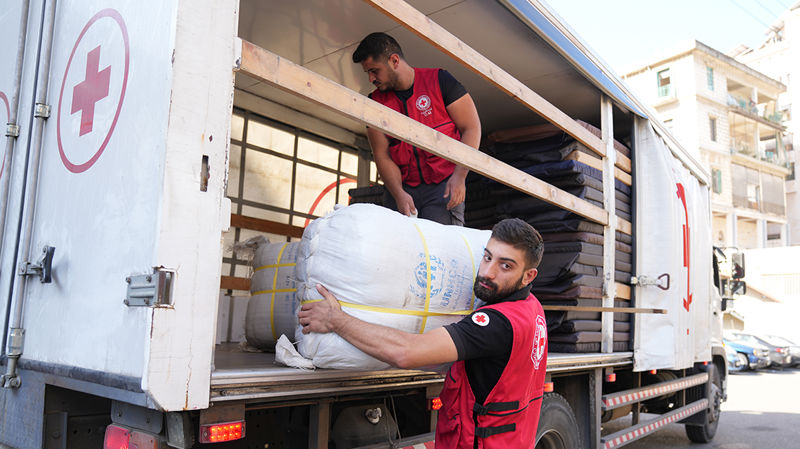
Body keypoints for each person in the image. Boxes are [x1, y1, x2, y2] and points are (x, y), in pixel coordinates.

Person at [298, 218, 548, 448]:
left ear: (528, 276)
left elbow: (406, 353)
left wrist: (336, 320)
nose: (488, 272)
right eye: (487, 257)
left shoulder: (496, 324)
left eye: (505, 266)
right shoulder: (532, 308)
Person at [352, 32, 481, 226]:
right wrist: (398, 193)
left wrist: (460, 176)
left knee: (439, 248)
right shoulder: (375, 102)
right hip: (401, 188)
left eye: (374, 71)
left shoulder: (440, 81)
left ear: (394, 60)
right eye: (368, 73)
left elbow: (471, 128)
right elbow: (382, 154)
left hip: (443, 187)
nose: (371, 79)